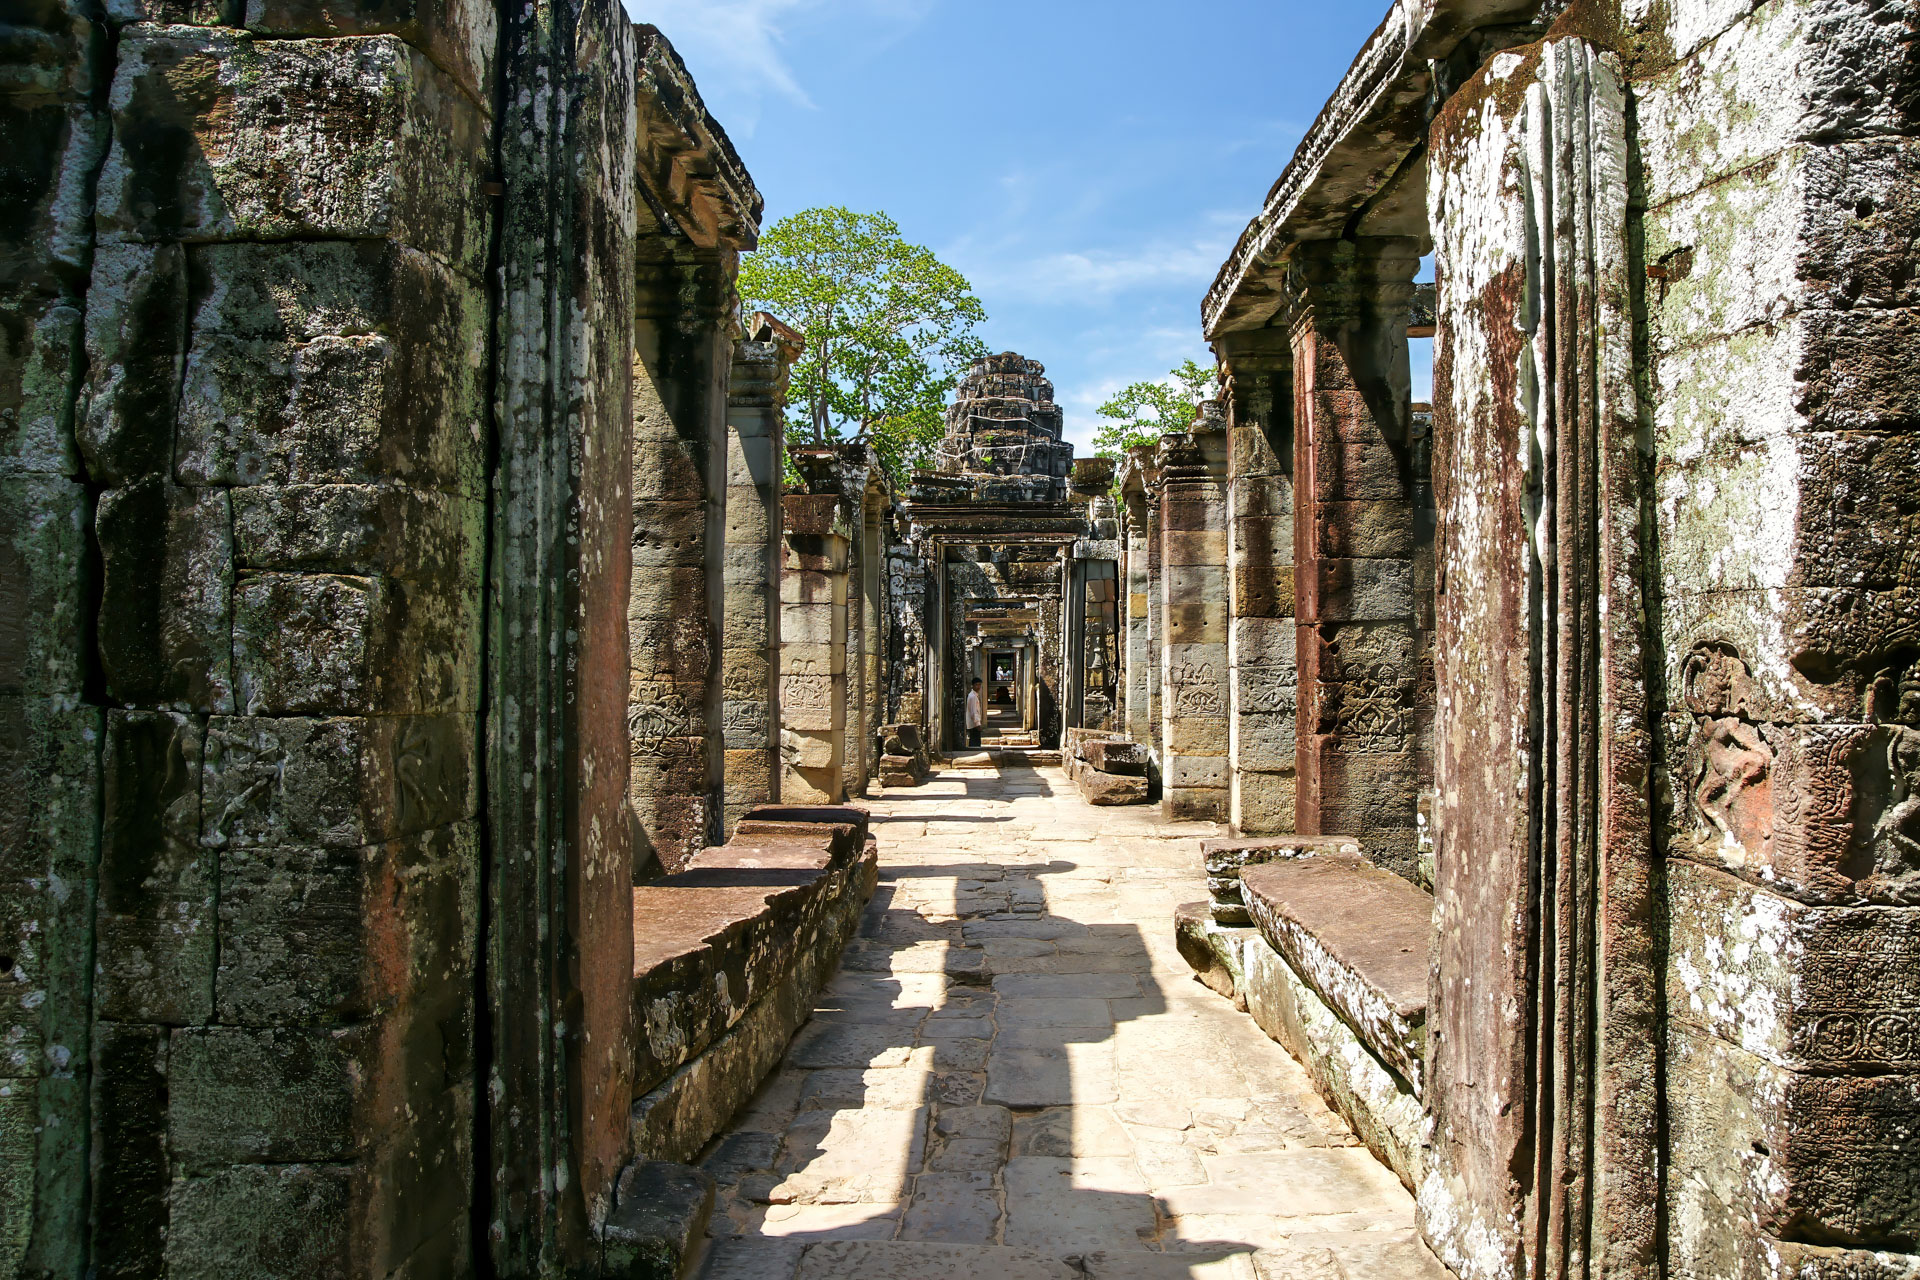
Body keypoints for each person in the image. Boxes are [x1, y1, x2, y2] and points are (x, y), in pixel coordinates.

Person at [966, 677, 984, 748]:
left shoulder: (974, 695)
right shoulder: (973, 696)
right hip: (974, 724)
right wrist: (977, 724)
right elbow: (974, 712)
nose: (978, 687)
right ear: (973, 686)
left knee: (974, 741)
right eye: (976, 685)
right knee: (975, 742)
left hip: (973, 724)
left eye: (979, 685)